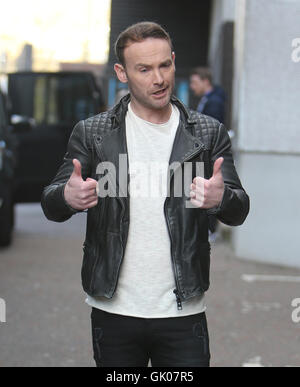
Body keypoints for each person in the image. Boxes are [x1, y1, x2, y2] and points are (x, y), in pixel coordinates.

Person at [41, 22, 249, 368]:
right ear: (122, 73)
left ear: (173, 61)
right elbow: (51, 202)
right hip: (114, 311)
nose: (159, 79)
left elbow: (239, 209)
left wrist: (222, 198)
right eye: (144, 69)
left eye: (164, 65)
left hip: (183, 312)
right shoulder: (93, 133)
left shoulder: (206, 133)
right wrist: (67, 196)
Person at [190, 67, 226, 242]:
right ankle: (209, 228)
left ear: (206, 82)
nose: (192, 86)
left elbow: (212, 131)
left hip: (209, 153)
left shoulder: (214, 102)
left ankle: (211, 229)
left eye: (195, 82)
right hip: (205, 152)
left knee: (209, 188)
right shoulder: (207, 99)